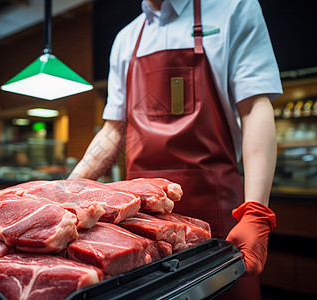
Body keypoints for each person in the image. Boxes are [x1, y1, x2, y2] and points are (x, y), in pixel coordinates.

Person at [68, 0, 282, 299]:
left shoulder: (234, 9)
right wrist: (65, 189)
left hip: (218, 218)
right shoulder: (127, 38)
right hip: (140, 221)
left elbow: (255, 108)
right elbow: (113, 129)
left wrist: (257, 211)